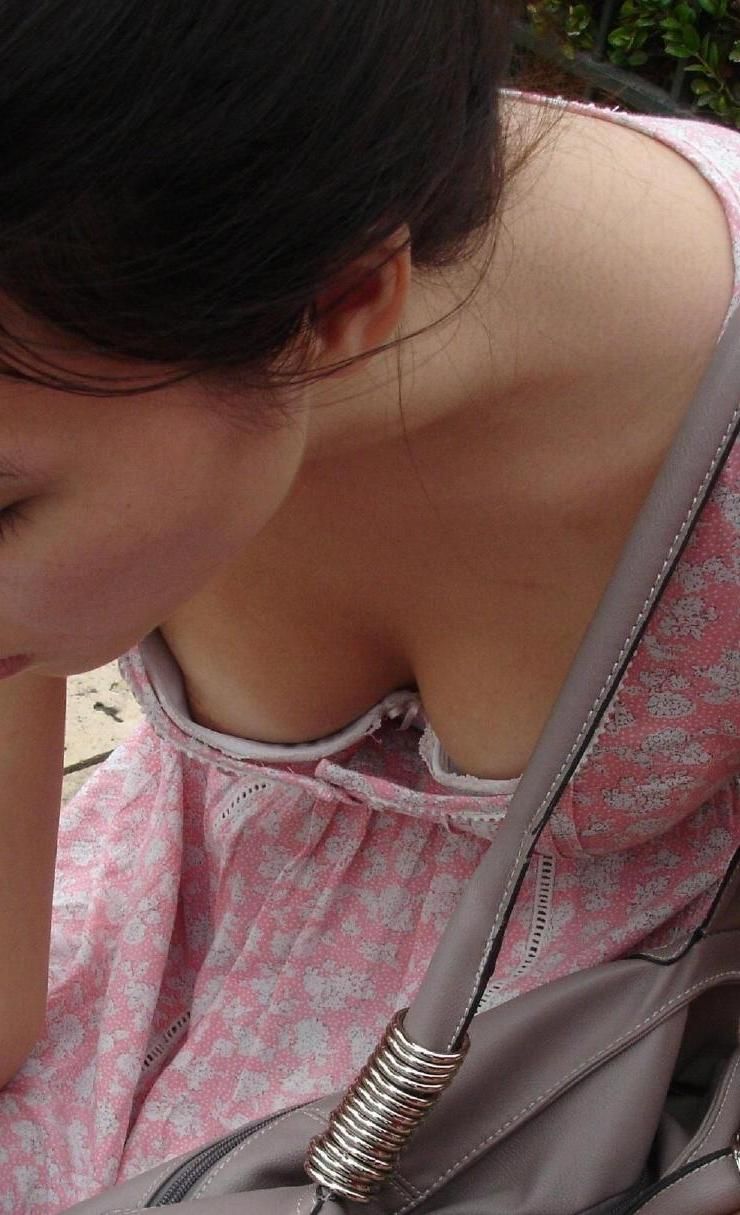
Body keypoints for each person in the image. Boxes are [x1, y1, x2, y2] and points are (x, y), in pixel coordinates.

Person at [0, 2, 737, 1210]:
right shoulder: (86, 240)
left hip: (582, 1108)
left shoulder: (135, 272)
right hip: (131, 1013)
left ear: (344, 304)